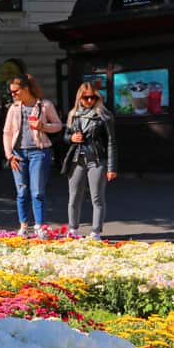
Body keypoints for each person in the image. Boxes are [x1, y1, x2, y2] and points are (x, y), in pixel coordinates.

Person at [2, 74, 63, 238]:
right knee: (22, 191)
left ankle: (40, 226)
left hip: (39, 151)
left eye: (15, 91)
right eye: (11, 92)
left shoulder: (45, 105)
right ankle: (23, 225)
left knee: (37, 192)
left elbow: (58, 125)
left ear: (26, 89)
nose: (13, 95)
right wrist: (9, 155)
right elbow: (7, 132)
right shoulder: (14, 108)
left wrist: (43, 126)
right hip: (18, 154)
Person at [62, 83, 117, 240]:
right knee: (74, 197)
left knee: (97, 197)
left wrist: (111, 167)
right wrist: (71, 138)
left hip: (97, 160)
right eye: (86, 97)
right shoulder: (73, 114)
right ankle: (73, 229)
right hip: (77, 159)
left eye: (93, 97)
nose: (89, 100)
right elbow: (65, 137)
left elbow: (111, 142)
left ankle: (96, 232)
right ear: (80, 97)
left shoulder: (103, 115)